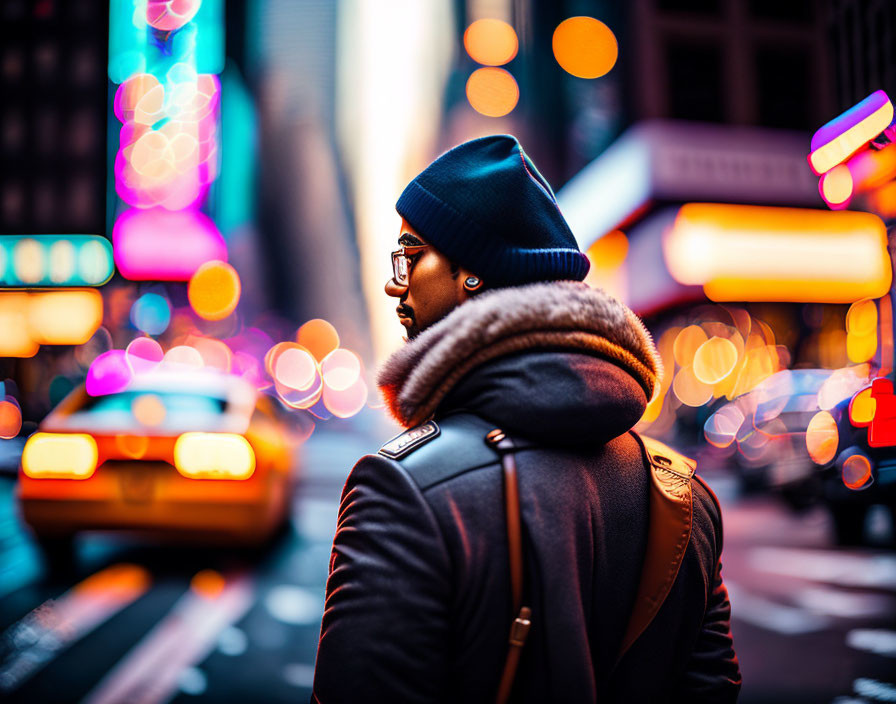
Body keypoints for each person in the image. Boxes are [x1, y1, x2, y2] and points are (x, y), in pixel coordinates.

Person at [312, 135, 741, 703]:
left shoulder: (401, 488)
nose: (395, 282)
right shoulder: (689, 498)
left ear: (471, 272)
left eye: (410, 256)